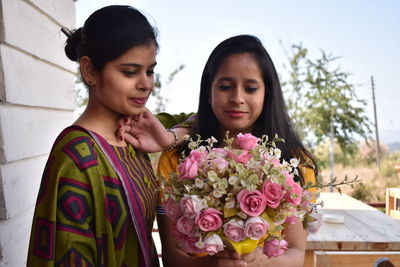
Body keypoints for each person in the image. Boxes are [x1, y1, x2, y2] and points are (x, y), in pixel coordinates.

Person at [27, 5, 183, 266]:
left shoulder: (134, 131)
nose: (145, 83)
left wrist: (169, 138)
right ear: (89, 71)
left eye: (150, 70)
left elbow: (205, 116)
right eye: (130, 72)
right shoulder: (76, 158)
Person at [156, 35, 318, 267]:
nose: (237, 98)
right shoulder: (176, 160)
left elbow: (296, 253)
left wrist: (261, 262)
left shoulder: (295, 162)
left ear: (267, 93)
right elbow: (172, 257)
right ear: (208, 91)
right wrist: (212, 265)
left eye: (250, 88)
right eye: (225, 86)